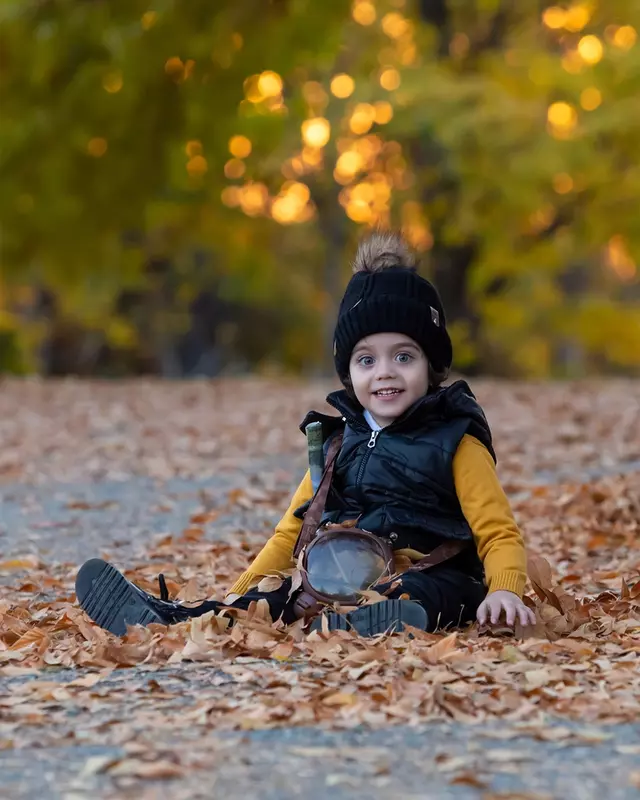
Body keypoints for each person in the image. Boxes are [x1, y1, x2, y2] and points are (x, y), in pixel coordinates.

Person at [76, 232, 535, 638]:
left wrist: (506, 590)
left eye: (404, 357)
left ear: (430, 366)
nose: (385, 374)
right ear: (349, 371)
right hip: (344, 571)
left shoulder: (457, 440)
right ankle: (185, 620)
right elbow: (291, 531)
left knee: (424, 593)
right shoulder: (337, 442)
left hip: (433, 573)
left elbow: (496, 532)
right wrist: (245, 594)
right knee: (277, 597)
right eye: (367, 360)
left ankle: (383, 620)